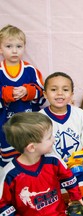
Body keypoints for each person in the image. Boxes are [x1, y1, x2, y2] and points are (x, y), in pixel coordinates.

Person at [0, 112, 83, 216]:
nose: (54, 139)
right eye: (49, 137)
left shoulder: (53, 161)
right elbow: (3, 204)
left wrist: (75, 197)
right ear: (32, 147)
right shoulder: (10, 174)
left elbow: (68, 177)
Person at [39, 72, 83, 198]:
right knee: (52, 186)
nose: (60, 93)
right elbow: (38, 145)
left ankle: (80, 194)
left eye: (65, 90)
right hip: (55, 167)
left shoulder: (79, 114)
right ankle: (71, 197)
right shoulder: (40, 117)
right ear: (45, 94)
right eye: (54, 89)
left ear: (72, 94)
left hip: (80, 163)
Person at [0, 24, 45, 167]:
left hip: (29, 122)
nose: (14, 51)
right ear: (0, 49)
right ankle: (10, 178)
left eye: (19, 46)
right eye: (9, 46)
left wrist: (28, 91)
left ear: (24, 48)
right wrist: (6, 93)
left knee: (31, 152)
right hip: (6, 123)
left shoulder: (30, 70)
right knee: (9, 157)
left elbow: (42, 93)